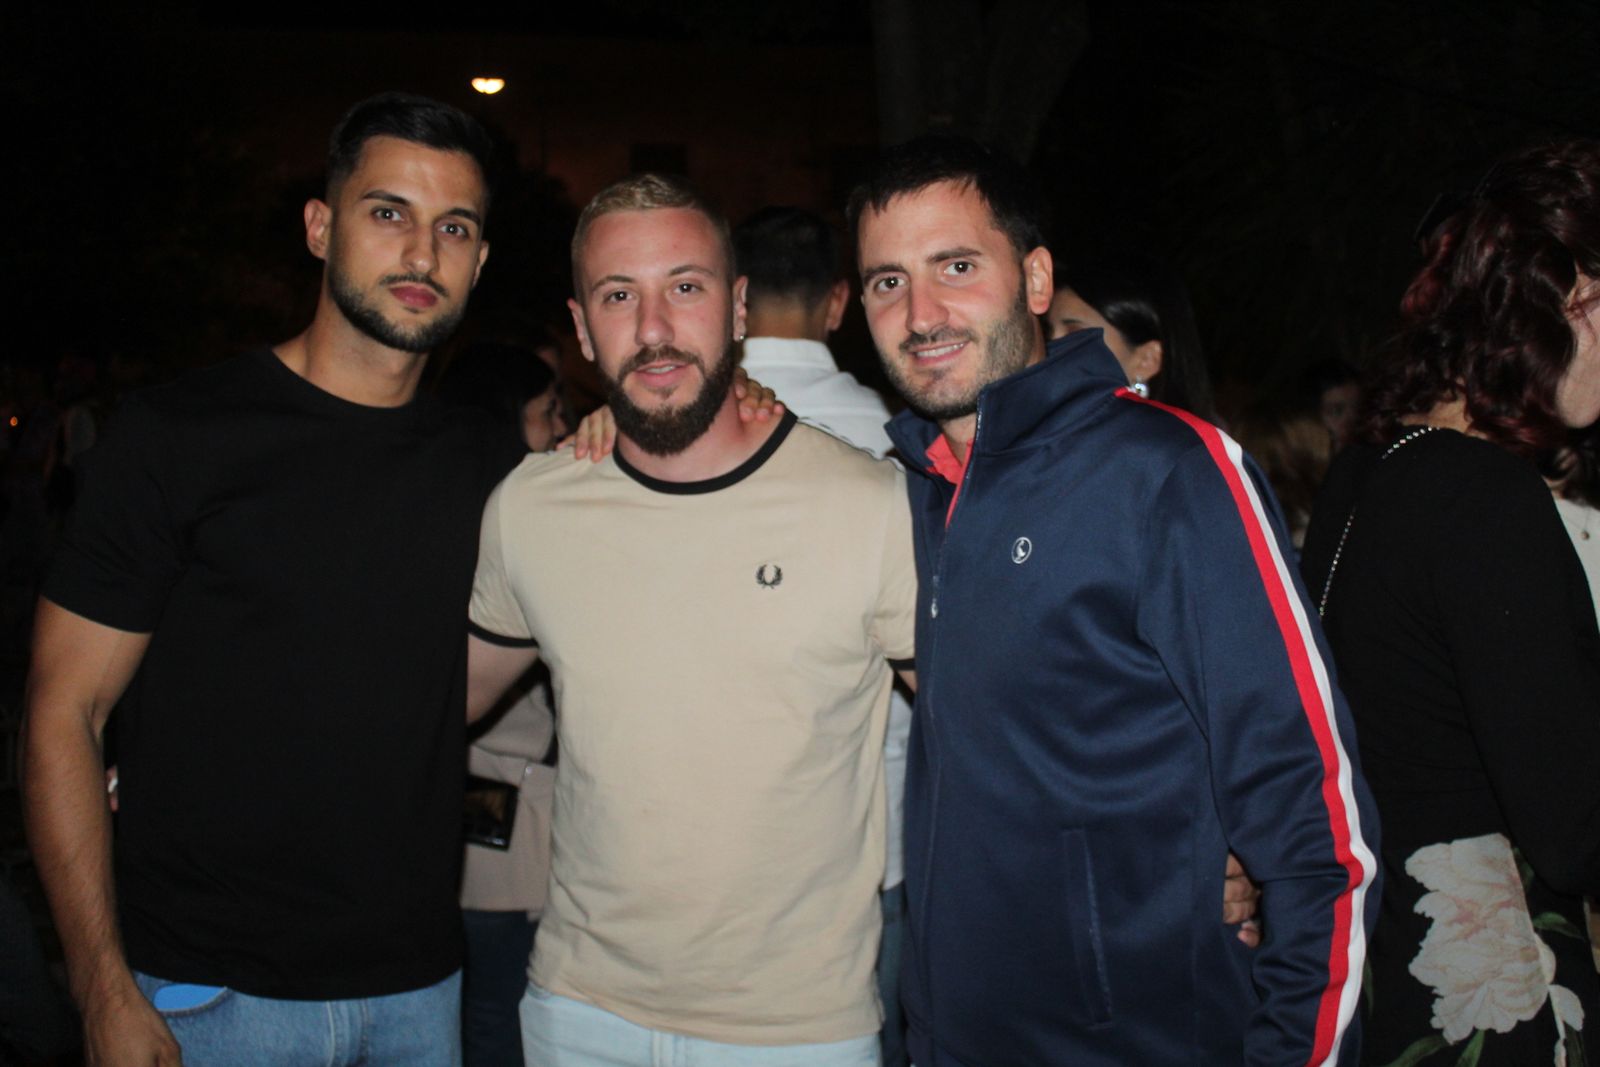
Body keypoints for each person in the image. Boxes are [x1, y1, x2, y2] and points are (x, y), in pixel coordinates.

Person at [848, 136, 1378, 1066]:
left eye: (957, 266)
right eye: (886, 281)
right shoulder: (913, 493)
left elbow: (1317, 826)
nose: (921, 312)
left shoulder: (1169, 473)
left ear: (1037, 278)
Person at [21, 91, 518, 1067]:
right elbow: (61, 710)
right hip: (205, 997)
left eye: (453, 228)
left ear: (481, 261)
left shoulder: (493, 463)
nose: (422, 253)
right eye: (389, 214)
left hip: (420, 993)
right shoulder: (180, 435)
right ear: (320, 227)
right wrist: (102, 988)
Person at [465, 173, 917, 1066]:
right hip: (577, 1010)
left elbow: (1000, 730)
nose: (656, 328)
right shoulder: (533, 506)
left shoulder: (870, 505)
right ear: (583, 327)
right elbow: (427, 707)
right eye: (619, 296)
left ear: (738, 306)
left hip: (800, 1032)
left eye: (687, 286)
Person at [1301, 138, 1600, 1066]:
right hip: (1493, 1006)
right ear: (1560, 303)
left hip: (1382, 973)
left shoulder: (1367, 471)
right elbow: (1575, 828)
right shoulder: (1485, 497)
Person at [733, 204, 912, 1066]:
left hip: (724, 840)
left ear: (731, 300)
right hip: (882, 838)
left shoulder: (679, 435)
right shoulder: (902, 441)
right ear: (838, 302)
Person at [437, 340, 566, 1067]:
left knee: (487, 1002)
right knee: (501, 1008)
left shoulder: (445, 504)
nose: (559, 428)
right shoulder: (511, 523)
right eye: (548, 413)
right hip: (509, 814)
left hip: (473, 815)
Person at [1045, 255, 1218, 422]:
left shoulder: (1173, 448)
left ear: (1146, 360)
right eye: (1047, 332)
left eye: (1075, 333)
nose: (1049, 347)